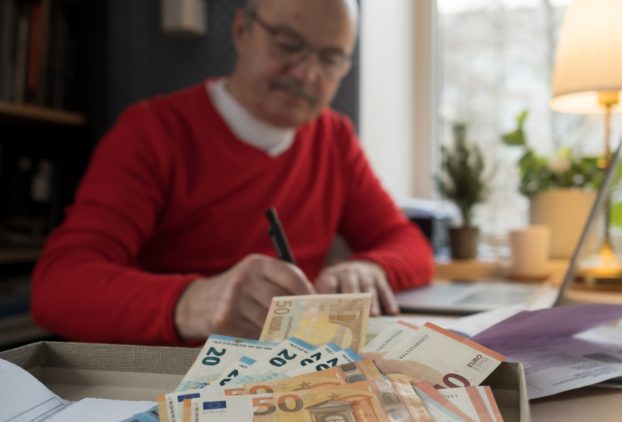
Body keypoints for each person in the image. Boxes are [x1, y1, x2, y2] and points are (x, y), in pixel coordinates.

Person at [30, 0, 433, 346]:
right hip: (171, 374)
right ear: (242, 30)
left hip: (295, 372)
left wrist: (369, 268)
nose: (308, 75)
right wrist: (192, 301)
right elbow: (58, 286)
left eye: (330, 59)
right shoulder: (153, 132)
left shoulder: (335, 138)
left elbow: (408, 245)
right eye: (289, 45)